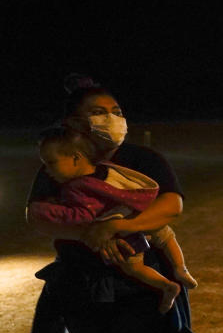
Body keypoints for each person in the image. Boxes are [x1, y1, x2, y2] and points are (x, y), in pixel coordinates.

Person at [26, 75, 193, 333]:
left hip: (136, 279)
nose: (111, 119)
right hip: (79, 280)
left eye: (115, 111)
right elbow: (38, 217)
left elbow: (171, 206)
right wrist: (89, 233)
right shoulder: (57, 162)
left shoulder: (141, 160)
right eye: (98, 112)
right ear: (73, 124)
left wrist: (118, 226)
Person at [31, 127, 197, 313]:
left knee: (134, 268)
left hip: (125, 235)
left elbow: (83, 217)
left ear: (76, 158)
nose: (47, 170)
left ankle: (166, 285)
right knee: (167, 236)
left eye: (51, 163)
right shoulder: (108, 170)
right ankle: (181, 268)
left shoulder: (75, 188)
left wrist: (52, 210)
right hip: (142, 217)